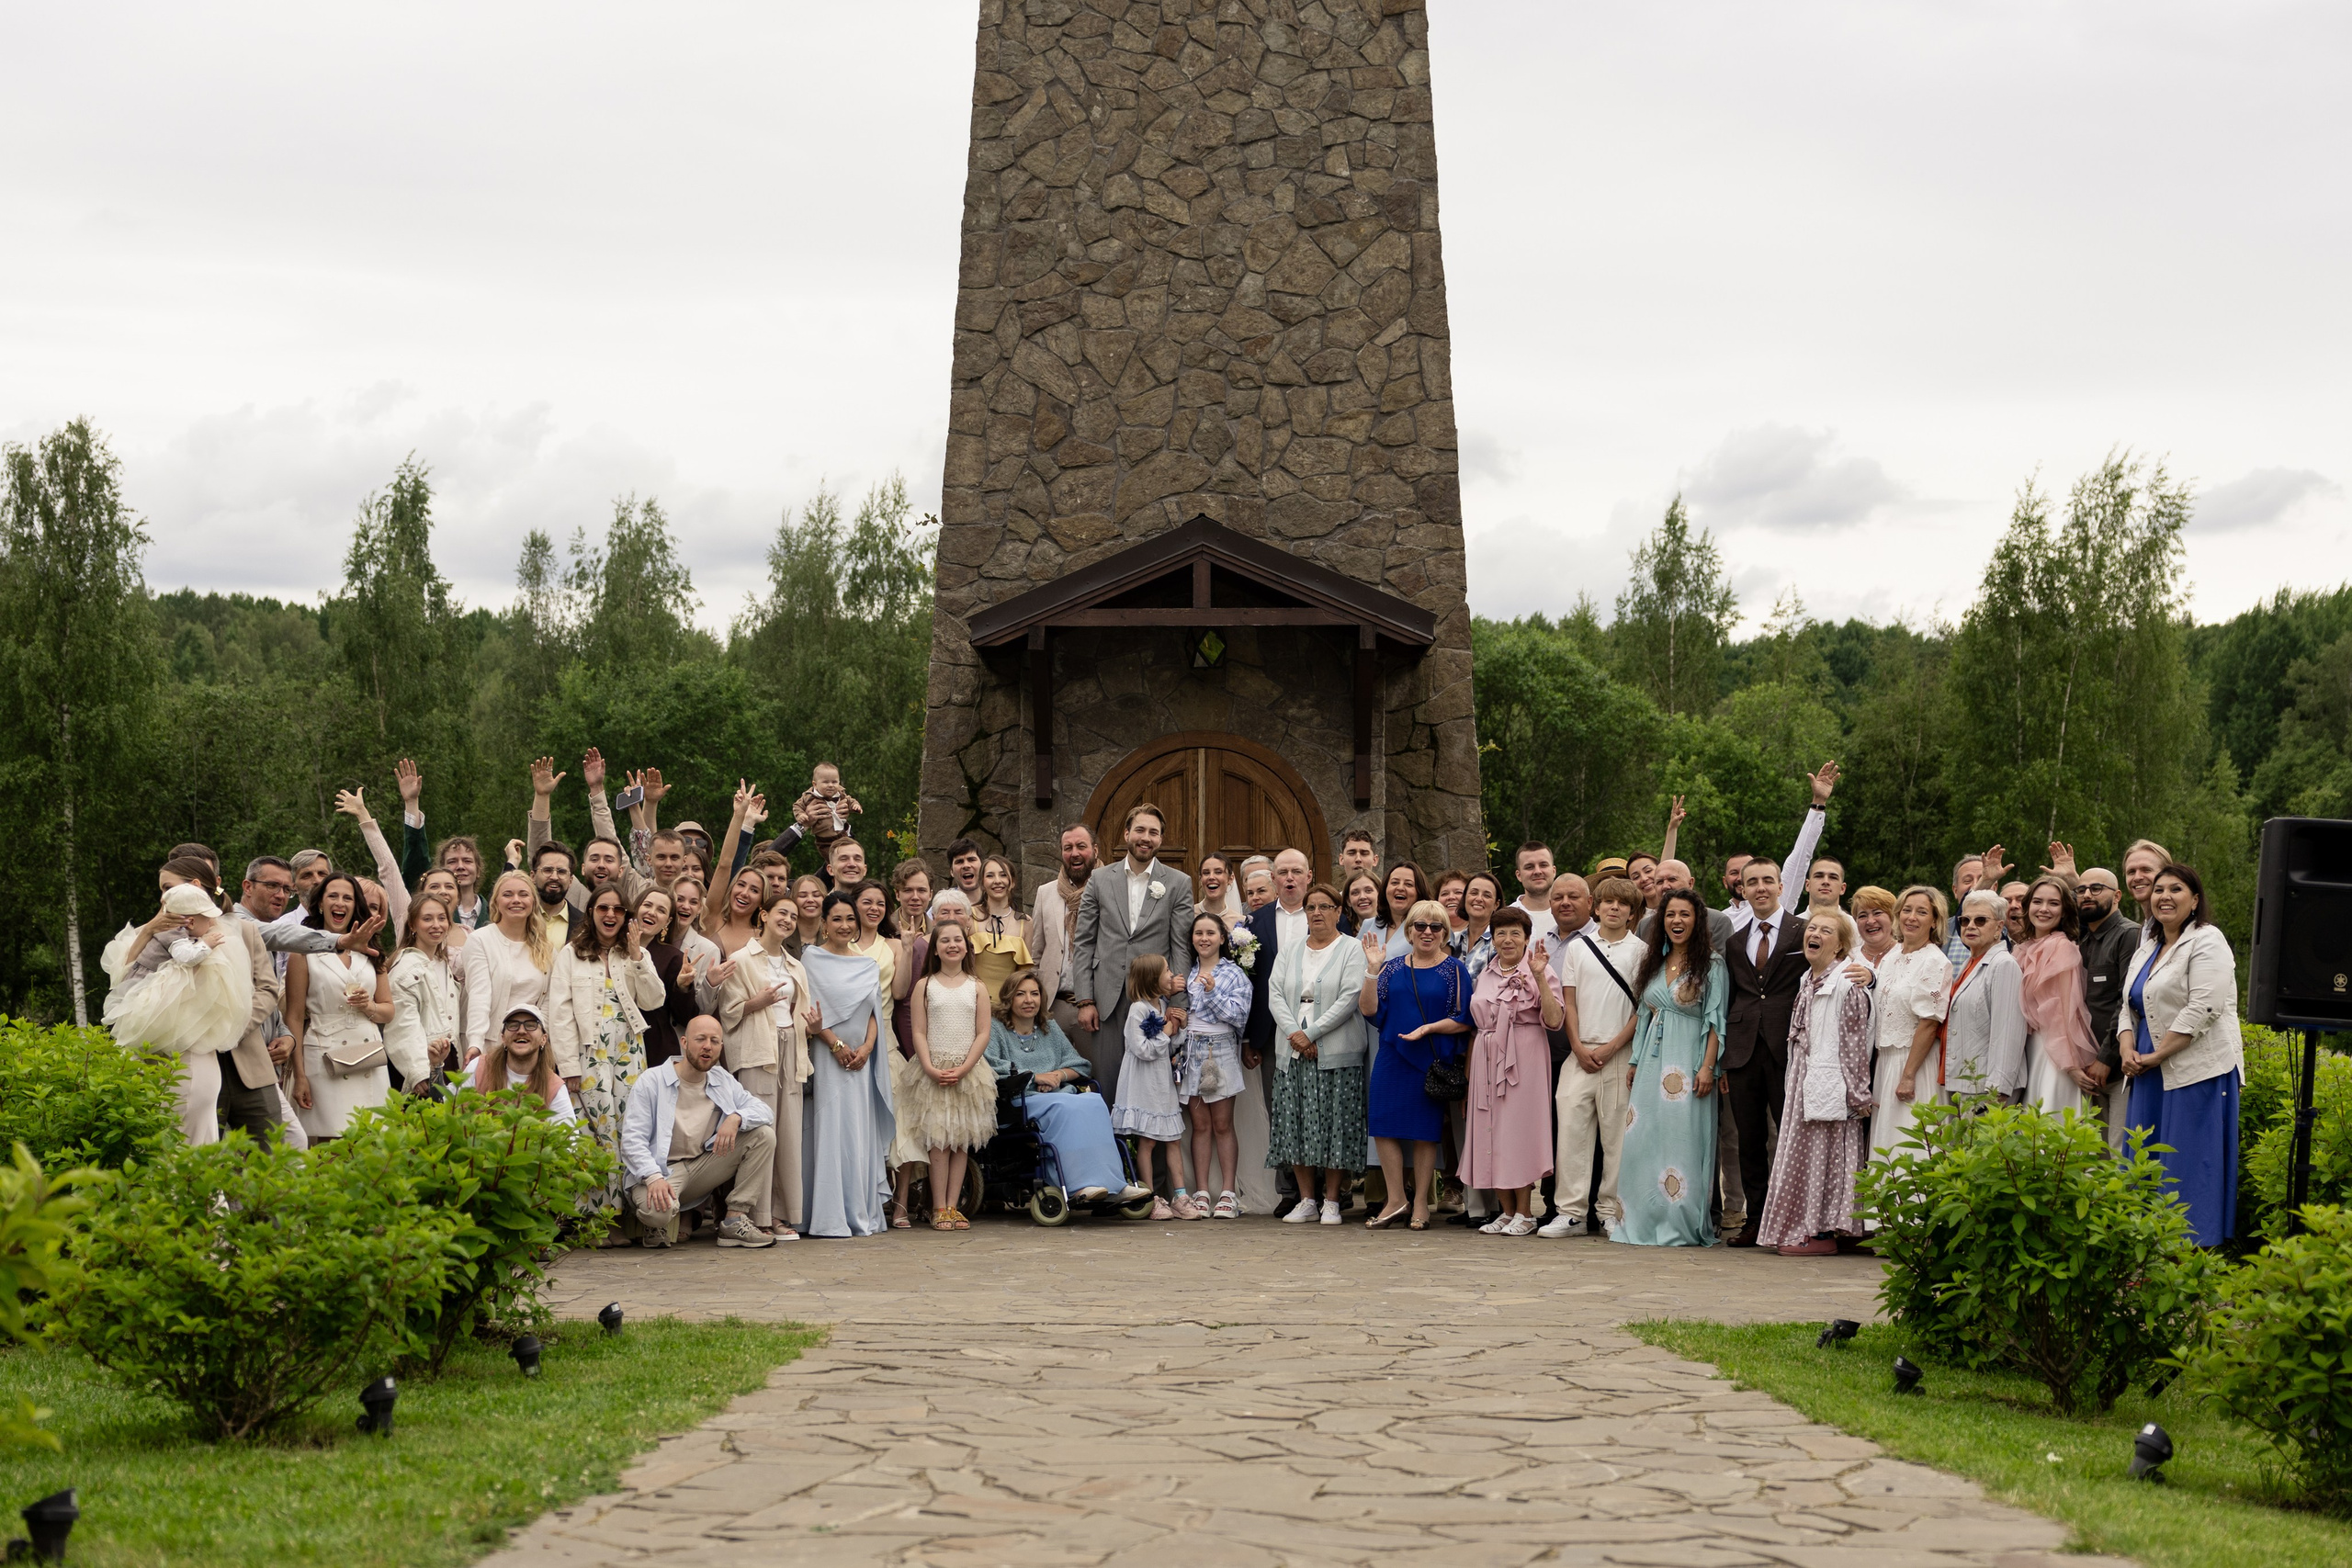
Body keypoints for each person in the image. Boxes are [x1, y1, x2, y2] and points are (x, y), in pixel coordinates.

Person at [2120, 863, 2244, 1247]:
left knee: (2187, 1161)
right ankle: (2142, 1250)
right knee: (2145, 1158)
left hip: (2194, 1068)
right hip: (2145, 1065)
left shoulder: (2208, 940)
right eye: (2159, 890)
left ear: (2194, 901)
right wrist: (2126, 1046)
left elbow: (2204, 1007)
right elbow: (2128, 1004)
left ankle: (2188, 1252)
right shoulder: (2150, 946)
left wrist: (2157, 1055)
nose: (2164, 897)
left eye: (2176, 890)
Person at [101, 863, 262, 1145]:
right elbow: (123, 976)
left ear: (196, 888)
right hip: (157, 1048)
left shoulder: (216, 933)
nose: (163, 898)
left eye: (168, 889)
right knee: (169, 1134)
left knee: (191, 1132)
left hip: (189, 1047)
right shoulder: (171, 933)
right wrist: (148, 931)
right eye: (162, 890)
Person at [1755, 908, 1874, 1256]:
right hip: (1804, 1080)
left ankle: (1821, 1233)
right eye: (1813, 928)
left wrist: (1857, 1095)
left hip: (1831, 1084)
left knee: (1822, 1159)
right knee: (1800, 1155)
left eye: (1826, 930)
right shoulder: (1809, 978)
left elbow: (1854, 1045)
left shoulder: (1846, 984)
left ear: (1839, 947)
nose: (1816, 933)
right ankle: (1802, 1227)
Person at [549, 882, 666, 1238]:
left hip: (628, 1051)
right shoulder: (570, 954)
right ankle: (600, 1220)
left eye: (618, 909)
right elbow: (559, 1013)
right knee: (597, 1134)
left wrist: (636, 956)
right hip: (589, 1053)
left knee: (630, 1128)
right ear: (592, 913)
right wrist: (567, 1066)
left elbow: (654, 1000)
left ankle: (635, 1216)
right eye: (603, 908)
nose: (611, 915)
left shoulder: (634, 954)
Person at [1614, 888, 1726, 1247]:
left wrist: (1707, 1068)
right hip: (1649, 1063)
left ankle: (1680, 1222)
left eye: (1685, 914)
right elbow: (1645, 1015)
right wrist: (1633, 1061)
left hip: (1688, 1065)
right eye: (1670, 915)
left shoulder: (1712, 964)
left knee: (1682, 1143)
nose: (1677, 921)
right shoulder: (1654, 963)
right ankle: (1643, 1220)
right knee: (1644, 1141)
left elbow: (1715, 1023)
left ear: (1698, 920)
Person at [986, 968, 1148, 1202]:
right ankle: (1078, 1185)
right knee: (1065, 1107)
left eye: (1034, 994)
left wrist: (1058, 1076)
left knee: (1093, 1101)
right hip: (1019, 1099)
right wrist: (1035, 1077)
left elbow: (1080, 1065)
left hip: (1057, 1094)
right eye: (1021, 994)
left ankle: (1114, 1184)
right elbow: (991, 1065)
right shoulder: (997, 1029)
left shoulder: (1048, 1029)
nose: (1029, 1000)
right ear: (1009, 997)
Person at [1069, 803, 1196, 1100]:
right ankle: (1112, 1147)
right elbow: (1084, 941)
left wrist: (1178, 1005)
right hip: (1106, 999)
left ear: (1161, 840)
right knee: (1109, 1083)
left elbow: (1180, 947)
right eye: (1140, 829)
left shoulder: (1178, 883)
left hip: (1154, 997)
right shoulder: (1100, 880)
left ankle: (1151, 1148)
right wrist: (1085, 999)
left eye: (1153, 832)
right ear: (1127, 833)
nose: (1146, 837)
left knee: (1153, 1086)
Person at [1540, 876, 1644, 1239]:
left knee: (1616, 1138)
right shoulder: (1579, 948)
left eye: (1622, 904)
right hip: (1579, 1052)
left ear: (1632, 912)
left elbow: (1643, 1009)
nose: (1614, 908)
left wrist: (1614, 1046)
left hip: (1620, 1052)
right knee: (1570, 1132)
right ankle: (1570, 1213)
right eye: (1607, 902)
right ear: (1595, 907)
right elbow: (1569, 1002)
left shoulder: (1642, 951)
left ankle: (1609, 1212)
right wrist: (1578, 1047)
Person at [1360, 899, 1474, 1231]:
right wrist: (1371, 970)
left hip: (1430, 1060)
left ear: (1444, 932)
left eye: (1435, 927)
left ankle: (1422, 1201)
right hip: (1392, 1055)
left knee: (1425, 1134)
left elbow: (1464, 1019)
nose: (1427, 932)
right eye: (1420, 926)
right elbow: (1369, 1010)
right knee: (1382, 1126)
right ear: (1409, 931)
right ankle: (1396, 1199)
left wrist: (1429, 1028)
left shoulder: (1454, 969)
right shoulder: (1392, 968)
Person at [618, 1013, 777, 1248]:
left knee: (763, 1135)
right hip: (661, 1172)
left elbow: (764, 1111)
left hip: (702, 1167)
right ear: (684, 1043)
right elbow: (632, 1141)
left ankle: (734, 1219)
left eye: (714, 1041)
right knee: (658, 1213)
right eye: (700, 1039)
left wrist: (736, 1117)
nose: (707, 1046)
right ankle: (655, 1222)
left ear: (721, 1047)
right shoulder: (652, 1081)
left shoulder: (721, 1078)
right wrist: (653, 1178)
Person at [1268, 882, 1371, 1224]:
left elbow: (1350, 996)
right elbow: (1275, 995)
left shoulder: (1352, 949)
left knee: (1335, 1125)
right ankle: (1307, 1199)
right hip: (1292, 1049)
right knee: (1295, 1123)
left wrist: (1310, 1033)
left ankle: (1331, 1201)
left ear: (1339, 912)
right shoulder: (1291, 950)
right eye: (1311, 908)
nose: (1316, 913)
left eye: (1325, 907)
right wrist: (1296, 1035)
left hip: (1336, 1049)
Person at [1721, 856, 1807, 1247]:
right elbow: (1731, 997)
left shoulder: (1802, 932)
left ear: (1780, 886)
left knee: (1790, 1138)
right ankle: (1755, 1221)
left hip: (1787, 1047)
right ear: (1742, 888)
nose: (1759, 888)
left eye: (1767, 881)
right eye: (1751, 881)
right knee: (1749, 1141)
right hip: (1742, 1053)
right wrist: (1722, 1058)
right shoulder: (1735, 941)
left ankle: (1793, 1219)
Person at [718, 890, 815, 1237]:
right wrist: (756, 1002)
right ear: (764, 915)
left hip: (791, 1048)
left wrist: (812, 1027)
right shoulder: (742, 959)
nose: (788, 920)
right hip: (758, 1048)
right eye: (782, 913)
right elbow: (728, 1012)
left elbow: (800, 1014)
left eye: (793, 916)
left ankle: (779, 1214)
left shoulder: (795, 965)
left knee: (788, 1135)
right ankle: (755, 1215)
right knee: (762, 1131)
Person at [1460, 907, 1560, 1235]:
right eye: (1501, 932)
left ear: (1527, 937)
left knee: (1519, 1131)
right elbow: (1474, 1022)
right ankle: (1505, 1211)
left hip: (1524, 1055)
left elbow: (1555, 1020)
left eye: (1515, 933)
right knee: (1490, 1129)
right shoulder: (1486, 973)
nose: (1507, 939)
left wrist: (1540, 976)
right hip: (1487, 1055)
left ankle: (1525, 1213)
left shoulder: (1539, 969)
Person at [800, 891, 893, 1238]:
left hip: (860, 1063)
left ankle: (857, 1211)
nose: (844, 925)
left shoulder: (866, 964)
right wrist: (835, 1045)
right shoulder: (810, 960)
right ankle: (824, 1215)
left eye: (850, 919)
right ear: (824, 922)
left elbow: (874, 1015)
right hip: (826, 1060)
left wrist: (867, 1048)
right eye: (836, 918)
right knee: (827, 1130)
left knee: (855, 1133)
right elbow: (807, 1010)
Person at [902, 913, 999, 1230]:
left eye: (958, 939)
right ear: (935, 949)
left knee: (960, 1141)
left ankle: (954, 1205)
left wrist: (966, 1066)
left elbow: (983, 1032)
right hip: (934, 1069)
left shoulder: (977, 987)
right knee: (939, 1141)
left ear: (967, 946)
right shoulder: (925, 986)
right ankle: (938, 1205)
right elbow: (918, 1030)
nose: (952, 945)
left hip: (967, 1071)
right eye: (945, 940)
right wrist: (929, 1066)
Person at [286, 872, 393, 1142]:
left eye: (347, 897)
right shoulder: (302, 951)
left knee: (370, 1142)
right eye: (333, 896)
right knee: (327, 1145)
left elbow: (388, 1011)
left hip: (369, 1055)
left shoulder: (371, 951)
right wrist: (299, 1075)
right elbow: (295, 1017)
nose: (340, 903)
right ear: (320, 903)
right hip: (322, 1059)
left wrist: (368, 1006)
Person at [1238, 848, 1313, 1215]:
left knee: (1320, 1106)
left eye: (1296, 871)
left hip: (1320, 1028)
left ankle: (1326, 1189)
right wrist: (1251, 1038)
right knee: (1280, 1109)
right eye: (1282, 872)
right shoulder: (1256, 922)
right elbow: (1250, 983)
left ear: (1308, 876)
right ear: (1273, 879)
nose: (1289, 878)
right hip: (1271, 1031)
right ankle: (1289, 1190)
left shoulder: (1326, 914)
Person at [1902, 889, 2026, 1106]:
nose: (1970, 926)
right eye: (1965, 920)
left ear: (1999, 926)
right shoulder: (1971, 962)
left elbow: (2007, 1034)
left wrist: (1997, 1092)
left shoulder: (2003, 965)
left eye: (1980, 920)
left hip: (1987, 1090)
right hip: (1964, 1082)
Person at [1865, 886, 1952, 1158]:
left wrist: (1908, 1075)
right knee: (1886, 1145)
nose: (1912, 917)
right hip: (1887, 1061)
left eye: (1922, 912)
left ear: (1935, 921)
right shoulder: (1891, 957)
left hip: (1915, 1064)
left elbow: (1929, 1023)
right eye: (1907, 910)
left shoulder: (1935, 961)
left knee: (1911, 1142)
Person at [1177, 911, 1252, 1219]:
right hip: (1190, 1050)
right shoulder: (1185, 971)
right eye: (1198, 933)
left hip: (1219, 1050)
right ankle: (1202, 1191)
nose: (1204, 939)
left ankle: (1228, 1192)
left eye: (1210, 933)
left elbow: (1238, 1016)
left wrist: (1211, 993)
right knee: (1200, 1126)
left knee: (1222, 1124)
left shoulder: (1234, 974)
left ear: (1223, 938)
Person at [2016, 873, 2098, 1117]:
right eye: (2038, 902)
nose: (2044, 909)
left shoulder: (2062, 948)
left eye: (2053, 903)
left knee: (2049, 1114)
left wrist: (2070, 1065)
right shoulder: (2022, 949)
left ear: (2064, 911)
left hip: (2053, 1052)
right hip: (2028, 1048)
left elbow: (2064, 1011)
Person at [1112, 954, 1186, 1220]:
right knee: (1148, 1140)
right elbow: (1140, 1049)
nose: (1171, 974)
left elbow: (1170, 1047)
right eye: (1167, 970)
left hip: (1161, 1082)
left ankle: (1181, 1194)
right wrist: (1165, 1034)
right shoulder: (1138, 1010)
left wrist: (1179, 1029)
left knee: (1173, 1138)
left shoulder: (1161, 1005)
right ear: (1152, 978)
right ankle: (1150, 1196)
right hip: (1143, 1082)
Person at [2074, 866, 2141, 1152]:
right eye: (2081, 890)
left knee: (2118, 1156)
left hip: (2116, 1071)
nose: (2087, 894)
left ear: (2117, 896)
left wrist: (2105, 1058)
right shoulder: (2079, 938)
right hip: (2084, 1072)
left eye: (2096, 888)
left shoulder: (2129, 935)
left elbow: (2127, 1002)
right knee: (2090, 1160)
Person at [462, 870, 554, 1072]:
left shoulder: (546, 948)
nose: (516, 900)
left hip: (531, 1049)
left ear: (533, 902)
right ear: (496, 902)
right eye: (508, 894)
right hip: (492, 1044)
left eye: (523, 894)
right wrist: (476, 1042)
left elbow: (547, 1002)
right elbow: (479, 996)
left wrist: (540, 1041)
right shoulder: (480, 940)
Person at [1028, 823, 1098, 1081]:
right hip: (1053, 1006)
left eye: (1081, 846)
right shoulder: (1046, 893)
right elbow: (1036, 953)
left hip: (1096, 1008)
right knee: (1052, 1078)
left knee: (1096, 1078)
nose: (1074, 853)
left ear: (1095, 850)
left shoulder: (1109, 889)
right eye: (1068, 848)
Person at [385, 893, 460, 1093]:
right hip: (422, 1064)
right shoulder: (406, 969)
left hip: (447, 1060)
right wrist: (417, 1072)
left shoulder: (441, 963)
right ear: (412, 925)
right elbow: (402, 1026)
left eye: (442, 918)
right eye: (427, 919)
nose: (436, 925)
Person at [471, 1004, 577, 1122]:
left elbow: (568, 1137)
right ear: (503, 1038)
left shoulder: (553, 1087)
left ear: (544, 1039)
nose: (521, 1031)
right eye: (513, 1025)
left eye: (531, 1025)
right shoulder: (479, 1067)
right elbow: (451, 1108)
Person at [633, 886, 698, 1069]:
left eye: (661, 910)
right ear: (637, 908)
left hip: (654, 1051)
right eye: (647, 905)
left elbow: (686, 1018)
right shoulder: (612, 950)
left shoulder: (674, 958)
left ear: (667, 922)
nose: (652, 913)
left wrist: (682, 988)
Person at [969, 854, 1033, 1007]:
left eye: (1003, 875)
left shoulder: (1026, 922)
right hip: (972, 1004)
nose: (997, 881)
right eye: (990, 876)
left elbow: (1026, 974)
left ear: (1013, 882)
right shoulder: (968, 916)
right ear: (982, 884)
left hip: (1008, 1008)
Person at [791, 760, 864, 862]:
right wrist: (801, 815)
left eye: (834, 782)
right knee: (834, 861)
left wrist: (855, 806)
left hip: (842, 834)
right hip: (824, 840)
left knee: (852, 855)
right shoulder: (809, 796)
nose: (830, 785)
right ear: (815, 784)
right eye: (826, 782)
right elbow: (797, 806)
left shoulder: (840, 794)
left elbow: (850, 800)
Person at [1944, 855, 1986, 969]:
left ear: (1995, 887)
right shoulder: (1939, 931)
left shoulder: (2007, 931)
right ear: (1955, 890)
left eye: (1983, 879)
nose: (1976, 886)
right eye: (1967, 881)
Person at [1510, 843, 1558, 941]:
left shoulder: (1569, 913)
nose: (1537, 871)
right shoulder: (1507, 917)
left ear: (1554, 871)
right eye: (1529, 867)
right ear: (1519, 875)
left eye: (1543, 865)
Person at [1197, 852, 1245, 923]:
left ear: (1231, 879)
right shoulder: (1188, 915)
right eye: (1206, 873)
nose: (1211, 877)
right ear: (1201, 878)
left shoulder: (1240, 921)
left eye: (1218, 872)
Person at [1339, 871, 1381, 937]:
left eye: (1368, 891)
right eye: (1355, 893)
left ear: (1380, 895)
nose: (1362, 897)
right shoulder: (1342, 933)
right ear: (1348, 901)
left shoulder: (1393, 929)